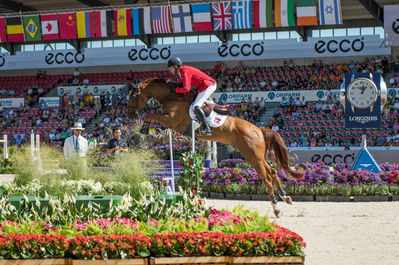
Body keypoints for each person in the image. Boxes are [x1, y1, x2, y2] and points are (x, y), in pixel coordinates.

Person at [167, 57, 216, 135]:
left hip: (209, 85)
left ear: (176, 66)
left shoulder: (184, 71)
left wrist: (175, 90)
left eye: (171, 68)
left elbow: (186, 89)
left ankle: (207, 129)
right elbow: (181, 83)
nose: (170, 70)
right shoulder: (182, 71)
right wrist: (173, 84)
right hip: (204, 86)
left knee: (196, 106)